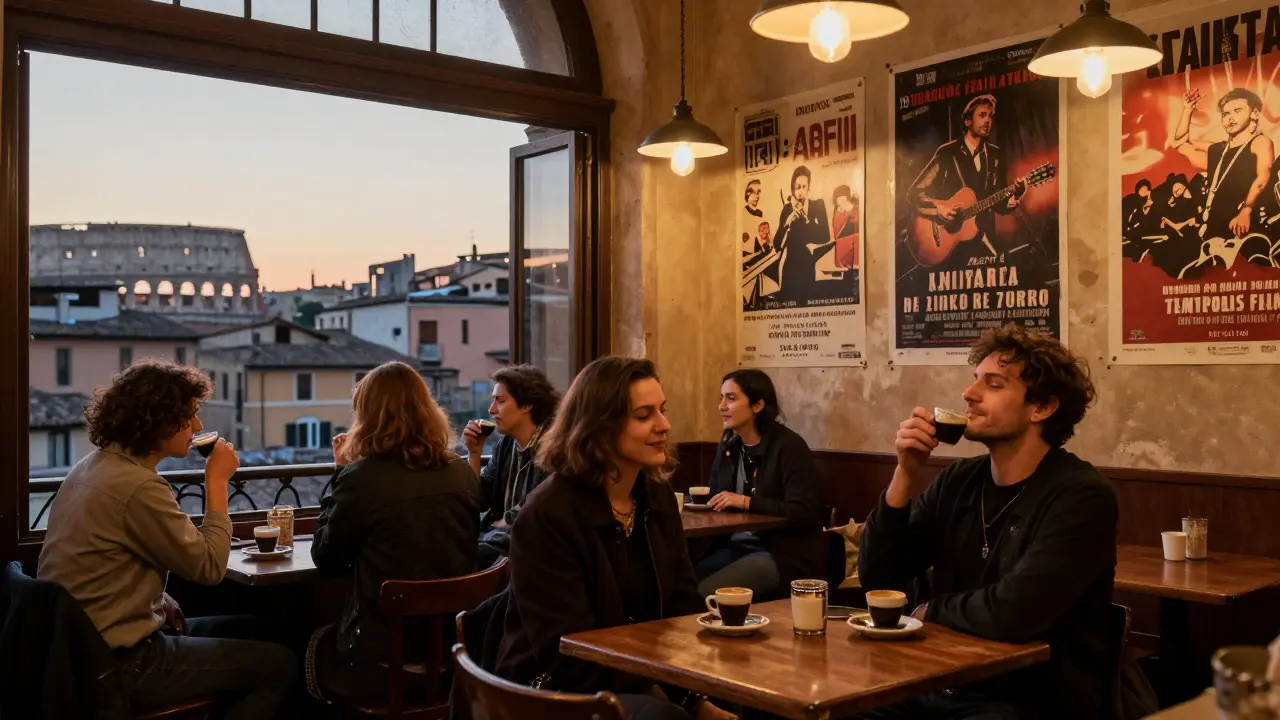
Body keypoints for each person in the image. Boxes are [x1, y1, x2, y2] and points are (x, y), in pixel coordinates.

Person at [857, 324, 1116, 720]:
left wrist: (931, 610)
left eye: (993, 385)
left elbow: (1017, 609)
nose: (968, 394)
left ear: (1042, 407)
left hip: (1025, 698)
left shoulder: (1081, 496)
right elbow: (878, 575)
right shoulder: (959, 481)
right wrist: (904, 474)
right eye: (974, 380)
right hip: (935, 680)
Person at [38, 360, 294, 718]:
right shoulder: (138, 486)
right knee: (279, 664)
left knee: (252, 628)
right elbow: (208, 568)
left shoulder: (90, 467)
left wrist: (160, 596)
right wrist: (217, 482)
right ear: (156, 420)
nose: (198, 426)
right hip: (122, 663)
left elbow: (105, 561)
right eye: (188, 417)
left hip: (81, 653)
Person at [495, 356, 736, 720]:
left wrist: (698, 690)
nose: (665, 425)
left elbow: (682, 606)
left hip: (633, 673)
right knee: (662, 717)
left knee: (746, 698)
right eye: (644, 415)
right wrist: (674, 696)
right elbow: (567, 648)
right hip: (550, 687)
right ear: (599, 427)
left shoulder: (655, 496)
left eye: (662, 411)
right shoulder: (548, 515)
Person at [308, 361, 481, 707]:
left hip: (383, 668)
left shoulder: (360, 479)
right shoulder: (461, 473)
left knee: (304, 644)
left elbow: (325, 558)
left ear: (367, 417)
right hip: (454, 661)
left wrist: (340, 471)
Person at [696, 369, 823, 600]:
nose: (721, 406)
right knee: (681, 587)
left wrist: (746, 502)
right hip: (732, 546)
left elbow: (804, 511)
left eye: (731, 398)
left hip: (777, 553)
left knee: (704, 595)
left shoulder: (789, 447)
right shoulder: (729, 446)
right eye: (721, 398)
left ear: (757, 405)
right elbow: (716, 498)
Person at [462, 364, 561, 568]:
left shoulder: (554, 446)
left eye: (500, 401)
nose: (491, 410)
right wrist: (474, 453)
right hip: (501, 542)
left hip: (532, 548)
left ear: (526, 406)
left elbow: (540, 508)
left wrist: (507, 520)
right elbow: (479, 501)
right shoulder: (506, 445)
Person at [907, 95, 1026, 260]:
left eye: (990, 116)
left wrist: (1014, 198)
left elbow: (997, 201)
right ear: (968, 121)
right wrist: (939, 208)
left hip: (981, 234)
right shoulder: (947, 153)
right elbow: (915, 193)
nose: (988, 121)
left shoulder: (996, 155)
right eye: (982, 115)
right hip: (950, 241)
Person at [1174, 88, 1274, 242]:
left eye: (1237, 111)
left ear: (1254, 113)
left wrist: (1246, 210)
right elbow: (1180, 142)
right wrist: (1187, 110)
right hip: (1210, 225)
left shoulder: (1260, 143)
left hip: (1239, 227)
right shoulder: (1217, 150)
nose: (1230, 118)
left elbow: (1262, 178)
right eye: (1225, 114)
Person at [774, 165, 831, 304]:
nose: (800, 192)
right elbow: (776, 244)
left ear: (808, 187)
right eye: (797, 187)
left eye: (804, 187)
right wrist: (787, 223)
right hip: (790, 270)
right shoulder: (787, 209)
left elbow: (825, 235)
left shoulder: (817, 205)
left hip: (808, 267)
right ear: (792, 188)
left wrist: (806, 221)